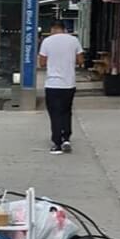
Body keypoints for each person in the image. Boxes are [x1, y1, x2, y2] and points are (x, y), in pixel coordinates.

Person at [39, 20, 84, 154]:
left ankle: (57, 143)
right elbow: (81, 61)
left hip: (52, 84)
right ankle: (66, 138)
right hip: (69, 83)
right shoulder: (74, 41)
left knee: (55, 113)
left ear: (53, 29)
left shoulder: (47, 41)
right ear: (64, 29)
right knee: (66, 111)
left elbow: (42, 63)